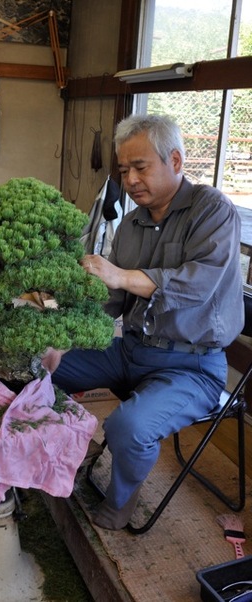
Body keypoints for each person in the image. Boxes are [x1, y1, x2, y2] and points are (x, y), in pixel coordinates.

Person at [46, 114, 244, 530]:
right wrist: (63, 334)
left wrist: (119, 274)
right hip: (132, 351)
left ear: (175, 160)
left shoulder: (213, 211)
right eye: (123, 170)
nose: (130, 179)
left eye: (140, 167)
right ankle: (52, 452)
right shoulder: (132, 224)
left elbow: (196, 287)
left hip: (192, 366)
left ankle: (121, 504)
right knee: (36, 363)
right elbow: (112, 301)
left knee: (128, 428)